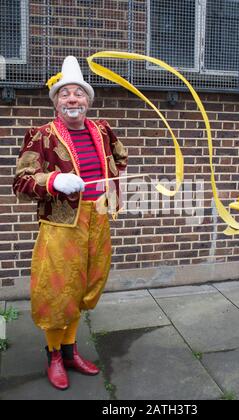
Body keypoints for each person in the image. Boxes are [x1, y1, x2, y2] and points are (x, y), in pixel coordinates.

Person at [13, 56, 128, 390]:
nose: (73, 99)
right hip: (62, 226)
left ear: (88, 101)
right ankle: (53, 356)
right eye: (66, 95)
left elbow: (119, 158)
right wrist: (53, 182)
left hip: (98, 218)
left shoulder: (102, 129)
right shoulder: (41, 136)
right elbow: (21, 181)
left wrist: (112, 180)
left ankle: (70, 350)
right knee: (58, 291)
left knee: (87, 285)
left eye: (79, 94)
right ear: (56, 102)